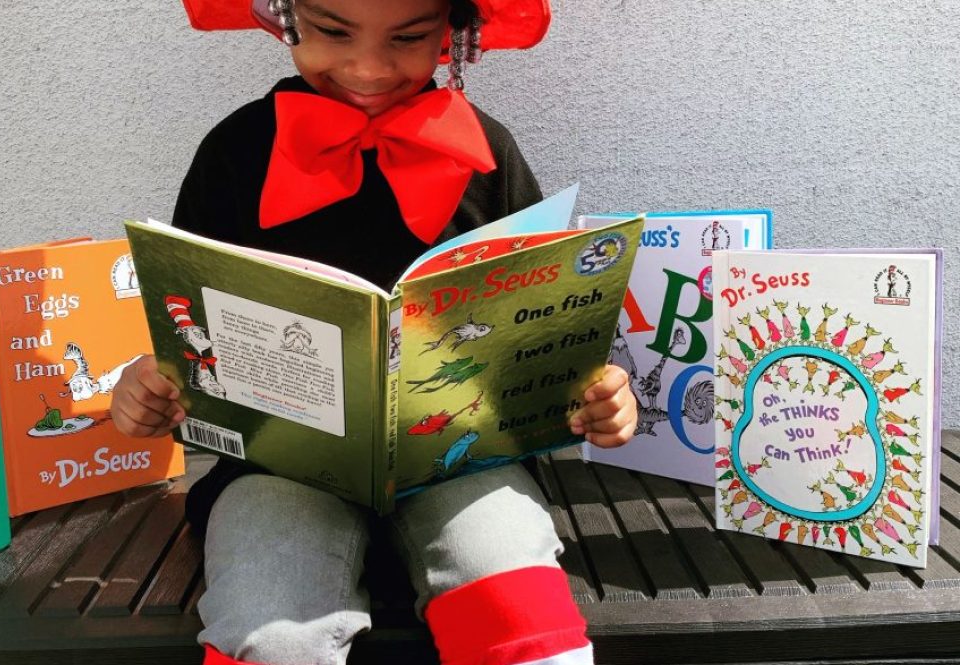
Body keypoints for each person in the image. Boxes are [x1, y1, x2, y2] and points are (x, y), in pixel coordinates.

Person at [110, 1, 639, 663]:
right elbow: (186, 325)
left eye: (410, 36)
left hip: (462, 460)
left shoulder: (488, 152)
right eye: (334, 30)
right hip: (276, 469)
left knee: (519, 607)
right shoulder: (235, 154)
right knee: (270, 634)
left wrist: (597, 392)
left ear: (451, 29)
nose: (368, 67)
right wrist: (149, 389)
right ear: (287, 14)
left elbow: (550, 320)